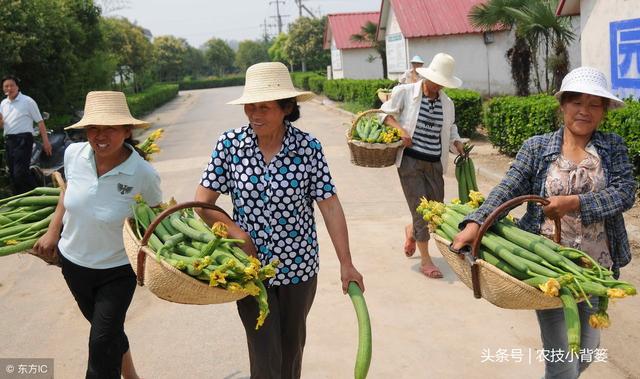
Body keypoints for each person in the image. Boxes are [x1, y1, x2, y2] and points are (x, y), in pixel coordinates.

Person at [452, 67, 636, 379]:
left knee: (588, 349)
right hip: (547, 270)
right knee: (563, 363)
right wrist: (475, 223)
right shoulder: (537, 148)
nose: (584, 111)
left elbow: (624, 193)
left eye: (594, 104)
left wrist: (575, 203)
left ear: (604, 111)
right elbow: (507, 188)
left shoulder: (612, 146)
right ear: (563, 105)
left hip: (595, 269)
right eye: (577, 102)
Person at [194, 61, 364, 379]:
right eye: (250, 107)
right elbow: (202, 203)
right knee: (264, 355)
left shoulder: (308, 148)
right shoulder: (230, 146)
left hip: (299, 268)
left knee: (291, 350)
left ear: (286, 108)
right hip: (249, 271)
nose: (255, 115)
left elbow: (329, 206)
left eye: (264, 107)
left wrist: (347, 263)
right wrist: (237, 233)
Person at [34, 91, 162, 379]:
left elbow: (154, 220)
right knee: (107, 330)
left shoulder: (143, 174)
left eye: (110, 128)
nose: (99, 135)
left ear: (127, 131)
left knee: (101, 345)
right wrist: (53, 232)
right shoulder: (73, 154)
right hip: (74, 265)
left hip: (117, 271)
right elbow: (67, 192)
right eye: (93, 128)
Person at [380, 53, 465, 279]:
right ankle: (426, 261)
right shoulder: (406, 93)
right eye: (436, 81)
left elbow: (450, 127)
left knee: (435, 211)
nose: (438, 86)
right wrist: (400, 129)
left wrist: (457, 142)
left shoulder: (447, 103)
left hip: (434, 163)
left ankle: (411, 231)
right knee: (421, 210)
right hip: (410, 162)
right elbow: (385, 115)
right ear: (427, 77)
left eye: (442, 84)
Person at [0, 75, 52, 194]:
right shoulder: (3, 104)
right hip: (9, 140)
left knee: (20, 173)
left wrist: (46, 142)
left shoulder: (27, 101)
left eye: (11, 85)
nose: (9, 88)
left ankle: (38, 195)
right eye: (6, 86)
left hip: (23, 139)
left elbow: (40, 122)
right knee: (12, 174)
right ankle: (19, 199)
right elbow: (3, 125)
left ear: (17, 86)